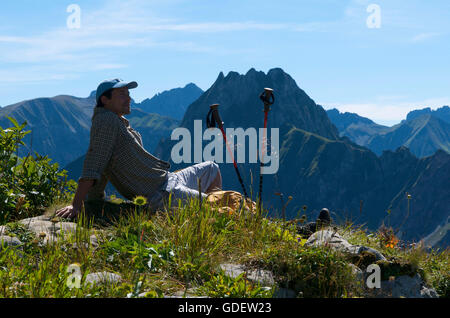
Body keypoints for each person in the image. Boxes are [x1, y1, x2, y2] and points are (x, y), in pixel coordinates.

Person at [56, 79, 222, 219]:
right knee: (218, 206)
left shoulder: (118, 121)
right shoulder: (106, 121)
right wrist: (77, 205)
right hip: (161, 194)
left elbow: (105, 163)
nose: (129, 99)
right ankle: (209, 222)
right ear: (105, 100)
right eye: (122, 94)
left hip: (169, 180)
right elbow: (94, 163)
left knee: (211, 168)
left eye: (128, 94)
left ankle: (202, 222)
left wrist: (96, 198)